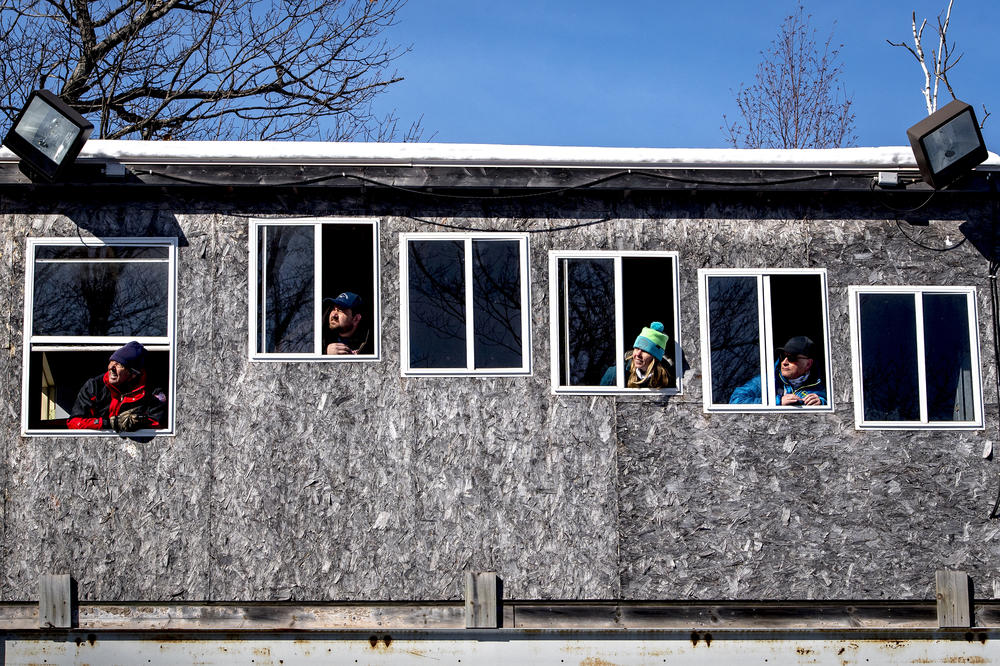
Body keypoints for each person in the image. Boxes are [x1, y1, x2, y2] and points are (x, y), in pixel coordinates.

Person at [67, 341, 168, 431]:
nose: (112, 368)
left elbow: (160, 423)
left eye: (119, 364)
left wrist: (139, 422)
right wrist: (106, 423)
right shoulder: (94, 386)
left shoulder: (152, 392)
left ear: (133, 374)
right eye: (111, 362)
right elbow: (74, 422)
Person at [729, 335, 827, 406]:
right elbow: (735, 401)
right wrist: (777, 402)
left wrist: (823, 403)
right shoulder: (768, 381)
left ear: (808, 364)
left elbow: (838, 409)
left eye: (792, 358)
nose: (784, 362)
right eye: (782, 356)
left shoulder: (824, 385)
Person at [600, 321, 673, 389]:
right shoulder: (615, 374)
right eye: (636, 348)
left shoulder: (667, 378)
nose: (637, 354)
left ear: (655, 357)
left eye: (645, 351)